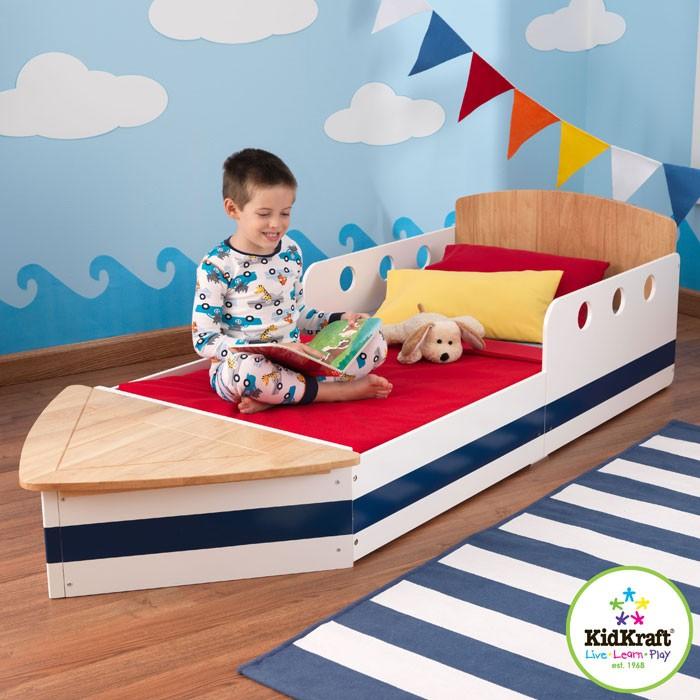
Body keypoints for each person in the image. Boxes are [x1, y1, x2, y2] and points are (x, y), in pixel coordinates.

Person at [192, 148, 392, 413]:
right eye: (264, 214)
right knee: (251, 371)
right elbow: (204, 339)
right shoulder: (217, 265)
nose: (276, 224)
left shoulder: (290, 251)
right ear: (233, 209)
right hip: (241, 366)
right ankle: (334, 392)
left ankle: (283, 394)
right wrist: (267, 349)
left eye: (285, 213)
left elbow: (297, 314)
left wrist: (339, 319)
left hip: (295, 364)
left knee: (375, 341)